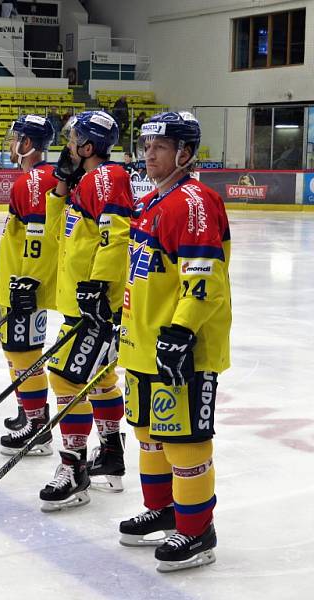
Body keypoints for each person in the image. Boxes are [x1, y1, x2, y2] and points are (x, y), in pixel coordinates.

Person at [116, 111, 230, 573]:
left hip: (181, 346)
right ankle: (165, 511)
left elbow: (205, 279)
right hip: (143, 341)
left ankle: (197, 529)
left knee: (183, 441)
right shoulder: (152, 202)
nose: (149, 154)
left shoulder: (195, 202)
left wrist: (181, 331)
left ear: (184, 152)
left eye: (159, 147)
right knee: (149, 434)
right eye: (146, 146)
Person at [39, 110, 132, 511]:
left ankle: (74, 467)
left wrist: (98, 287)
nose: (68, 145)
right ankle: (111, 451)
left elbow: (117, 237)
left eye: (74, 139)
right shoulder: (85, 181)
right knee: (100, 378)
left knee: (64, 378)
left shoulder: (107, 177)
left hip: (94, 305)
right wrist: (61, 185)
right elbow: (56, 229)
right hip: (82, 303)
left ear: (89, 146)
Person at [0, 115, 61, 455]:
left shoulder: (34, 181)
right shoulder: (37, 179)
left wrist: (28, 282)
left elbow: (39, 239)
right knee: (15, 350)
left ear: (28, 144)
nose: (11, 145)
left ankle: (38, 428)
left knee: (25, 352)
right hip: (20, 281)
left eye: (15, 139)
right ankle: (29, 412)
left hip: (25, 285)